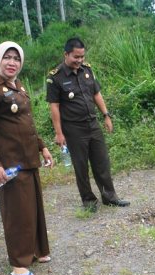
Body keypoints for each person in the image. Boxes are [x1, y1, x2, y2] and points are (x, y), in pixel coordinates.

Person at [0, 41, 53, 275]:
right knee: (17, 212)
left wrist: (42, 147)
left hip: (28, 157)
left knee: (33, 207)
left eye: (16, 58)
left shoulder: (17, 85)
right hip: (9, 162)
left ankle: (36, 250)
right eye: (7, 57)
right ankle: (19, 264)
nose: (12, 62)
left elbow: (27, 122)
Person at [46, 37, 129, 212]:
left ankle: (110, 197)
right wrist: (59, 133)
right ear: (66, 54)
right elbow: (54, 107)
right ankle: (89, 200)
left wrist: (106, 115)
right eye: (76, 57)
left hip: (92, 124)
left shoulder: (87, 71)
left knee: (102, 162)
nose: (80, 60)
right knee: (81, 165)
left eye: (82, 56)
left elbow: (96, 94)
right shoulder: (55, 77)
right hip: (74, 129)